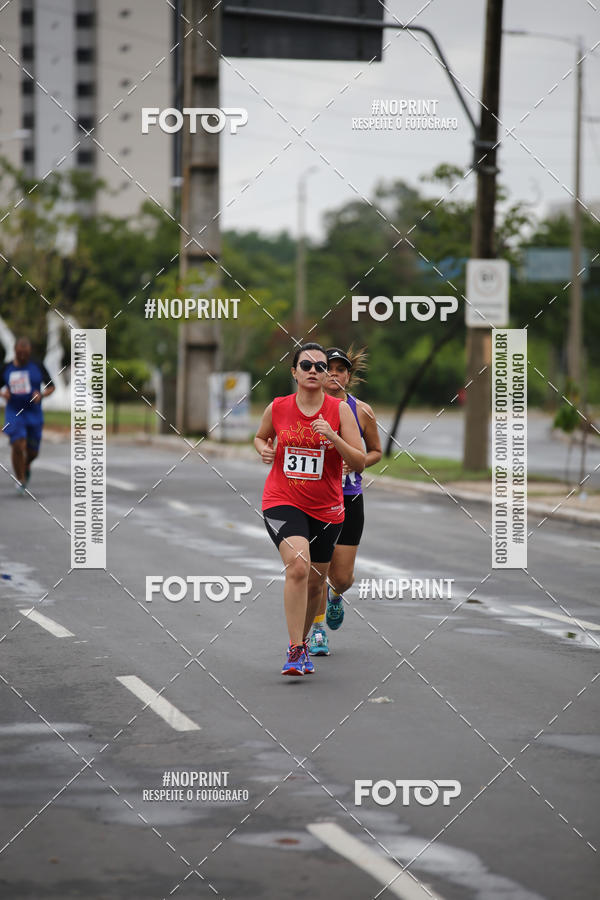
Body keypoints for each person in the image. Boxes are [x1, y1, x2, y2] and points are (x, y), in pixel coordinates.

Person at [254, 342, 366, 676]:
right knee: (298, 567)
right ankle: (294, 649)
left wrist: (334, 436)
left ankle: (301, 644)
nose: (314, 371)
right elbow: (260, 437)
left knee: (317, 584)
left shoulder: (340, 411)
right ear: (295, 372)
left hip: (327, 509)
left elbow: (359, 460)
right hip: (282, 500)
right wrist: (264, 449)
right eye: (307, 365)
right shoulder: (277, 407)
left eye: (320, 366)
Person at [308, 346, 382, 656]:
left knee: (342, 577)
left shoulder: (361, 411)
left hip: (349, 498)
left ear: (348, 377)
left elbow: (377, 451)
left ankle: (336, 595)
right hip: (316, 499)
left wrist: (359, 459)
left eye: (341, 370)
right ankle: (317, 630)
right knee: (316, 571)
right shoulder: (307, 407)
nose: (334, 374)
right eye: (329, 369)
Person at [1, 337, 55, 494]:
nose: (23, 356)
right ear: (15, 351)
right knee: (17, 444)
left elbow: (51, 387)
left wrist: (42, 395)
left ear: (30, 352)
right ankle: (21, 479)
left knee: (32, 452)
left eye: (26, 353)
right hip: (14, 411)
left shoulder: (37, 366)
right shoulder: (6, 368)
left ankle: (26, 465)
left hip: (33, 412)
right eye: (20, 353)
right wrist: (3, 393)